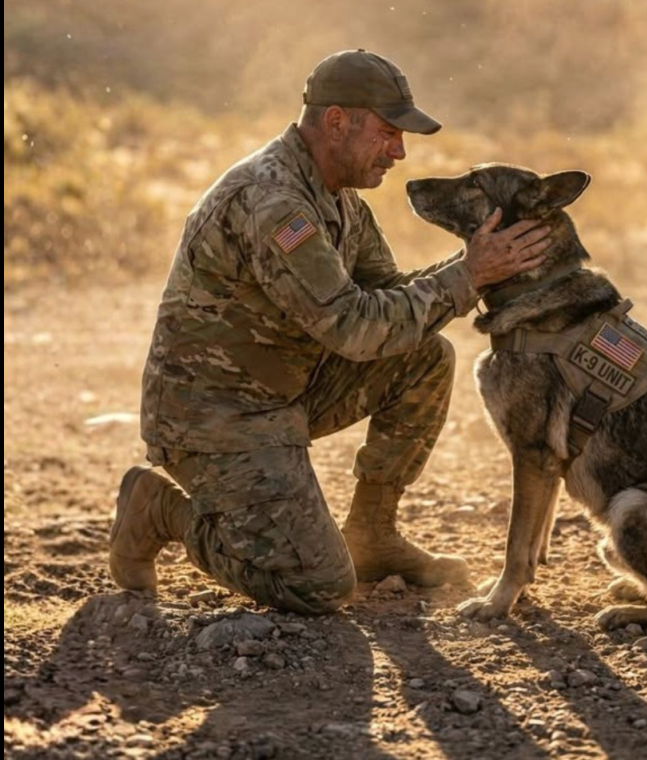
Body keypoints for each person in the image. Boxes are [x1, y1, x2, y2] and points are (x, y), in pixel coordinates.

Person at [109, 49, 551, 615]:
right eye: (388, 132)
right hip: (213, 418)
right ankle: (159, 509)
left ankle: (372, 533)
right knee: (317, 586)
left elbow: (387, 296)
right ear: (337, 122)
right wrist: (468, 275)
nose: (399, 152)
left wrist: (477, 267)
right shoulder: (274, 203)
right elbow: (354, 328)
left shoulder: (337, 194)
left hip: (282, 391)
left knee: (426, 354)